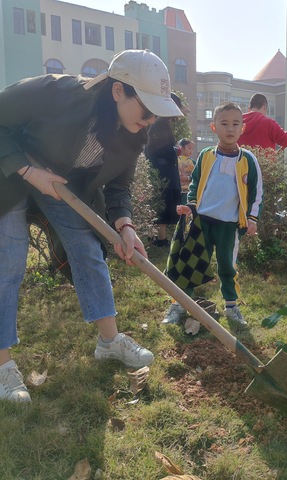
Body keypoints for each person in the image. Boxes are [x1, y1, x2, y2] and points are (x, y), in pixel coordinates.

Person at [0, 49, 184, 402]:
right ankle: (3, 365)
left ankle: (109, 341)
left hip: (60, 184)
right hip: (11, 173)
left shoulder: (132, 133)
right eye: (146, 110)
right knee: (8, 260)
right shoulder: (55, 92)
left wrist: (125, 225)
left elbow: (119, 185)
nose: (150, 120)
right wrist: (26, 170)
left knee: (87, 249)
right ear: (118, 91)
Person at [162, 102, 263, 326]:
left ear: (242, 128)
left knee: (228, 266)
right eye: (224, 123)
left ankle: (232, 306)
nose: (230, 128)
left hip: (229, 225)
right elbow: (196, 184)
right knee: (189, 262)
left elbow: (256, 192)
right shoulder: (207, 156)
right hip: (202, 222)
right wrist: (191, 207)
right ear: (214, 127)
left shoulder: (247, 160)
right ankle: (178, 304)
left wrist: (252, 218)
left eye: (235, 124)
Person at [145, 93, 188, 247]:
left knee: (162, 205)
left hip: (163, 171)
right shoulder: (160, 124)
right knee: (162, 205)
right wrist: (176, 150)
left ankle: (158, 238)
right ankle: (159, 239)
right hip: (163, 172)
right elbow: (162, 149)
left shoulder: (160, 123)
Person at [177, 138, 196, 204]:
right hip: (177, 190)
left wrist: (188, 178)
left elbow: (197, 175)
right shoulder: (175, 160)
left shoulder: (193, 162)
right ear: (182, 148)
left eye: (192, 149)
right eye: (189, 148)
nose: (191, 151)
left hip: (188, 191)